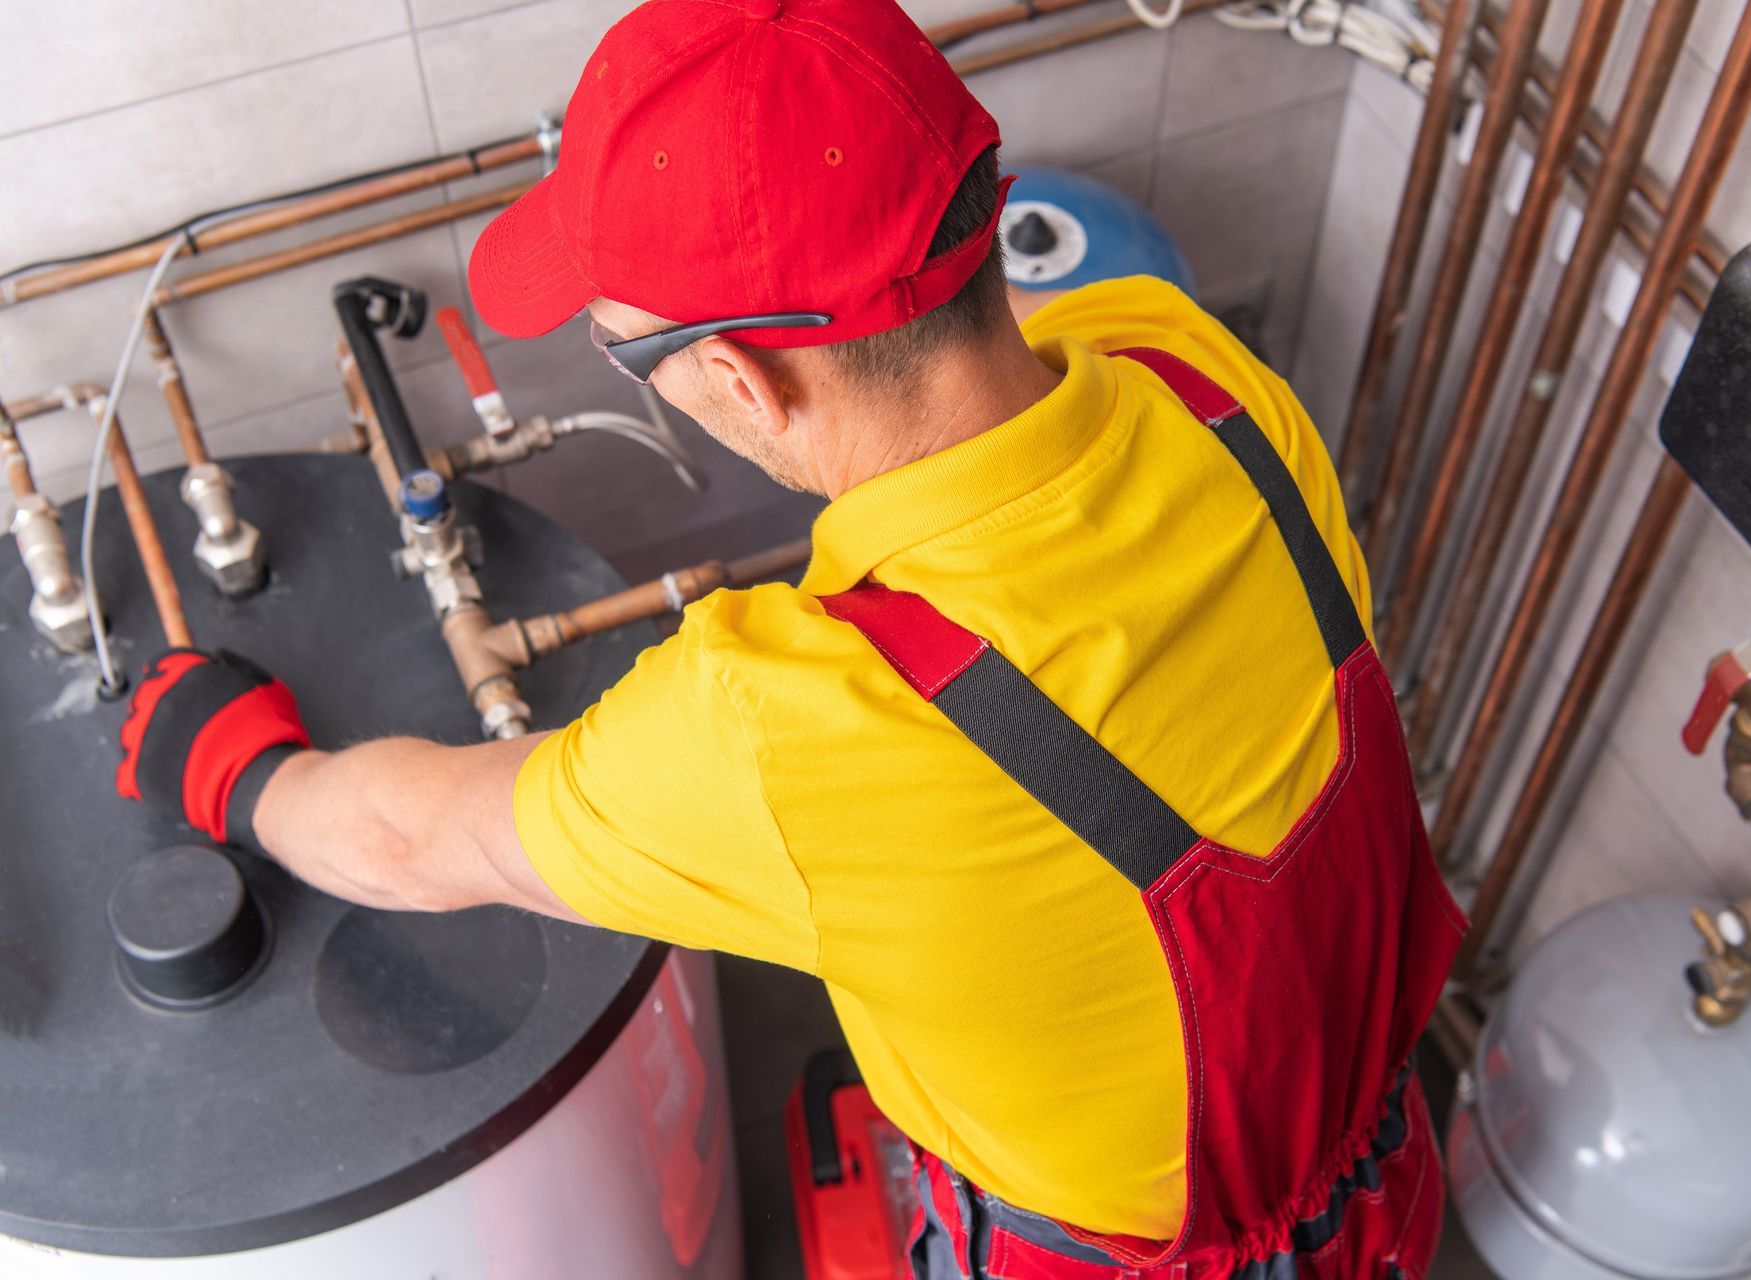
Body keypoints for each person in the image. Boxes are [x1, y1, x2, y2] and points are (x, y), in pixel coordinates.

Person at [116, 1, 1466, 1275]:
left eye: (621, 352)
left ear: (738, 376)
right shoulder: (1194, 371)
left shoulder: (804, 721)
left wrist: (234, 764)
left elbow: (422, 841)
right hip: (1382, 1174)